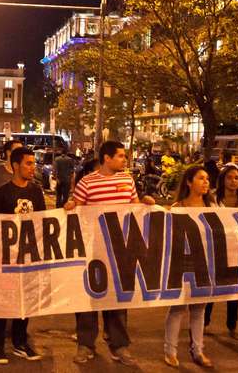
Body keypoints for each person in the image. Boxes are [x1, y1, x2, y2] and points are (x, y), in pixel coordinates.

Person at [65, 141, 154, 366]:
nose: (125, 160)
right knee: (89, 298)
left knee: (118, 298)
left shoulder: (127, 180)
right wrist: (70, 206)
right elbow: (77, 208)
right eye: (121, 156)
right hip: (93, 250)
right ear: (107, 158)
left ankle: (119, 345)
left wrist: (144, 203)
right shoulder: (87, 182)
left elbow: (134, 206)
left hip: (120, 250)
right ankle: (86, 344)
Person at [0, 147, 45, 364]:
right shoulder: (2, 193)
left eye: (34, 163)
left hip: (28, 257)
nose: (33, 168)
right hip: (5, 258)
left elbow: (42, 221)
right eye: (29, 163)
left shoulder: (36, 192)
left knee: (25, 300)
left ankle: (20, 342)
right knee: (2, 301)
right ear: (16, 165)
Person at [163, 166, 214, 368]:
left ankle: (198, 350)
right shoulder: (178, 208)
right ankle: (170, 351)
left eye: (207, 179)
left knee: (199, 309)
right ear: (189, 182)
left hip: (204, 265)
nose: (206, 182)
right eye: (201, 178)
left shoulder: (212, 208)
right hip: (181, 263)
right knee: (177, 308)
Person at [203, 165, 238, 340]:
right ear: (223, 179)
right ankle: (204, 323)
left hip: (237, 252)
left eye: (237, 178)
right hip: (215, 250)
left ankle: (232, 326)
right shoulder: (212, 199)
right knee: (211, 288)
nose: (234, 181)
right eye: (230, 178)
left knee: (234, 291)